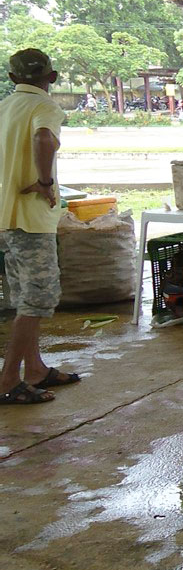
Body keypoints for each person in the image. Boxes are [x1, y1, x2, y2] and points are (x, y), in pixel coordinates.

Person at [0, 48, 81, 406]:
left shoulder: (5, 107)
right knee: (37, 300)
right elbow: (43, 138)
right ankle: (8, 379)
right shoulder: (45, 106)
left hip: (6, 216)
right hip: (30, 218)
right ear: (51, 77)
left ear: (13, 78)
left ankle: (34, 369)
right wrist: (44, 182)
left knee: (23, 300)